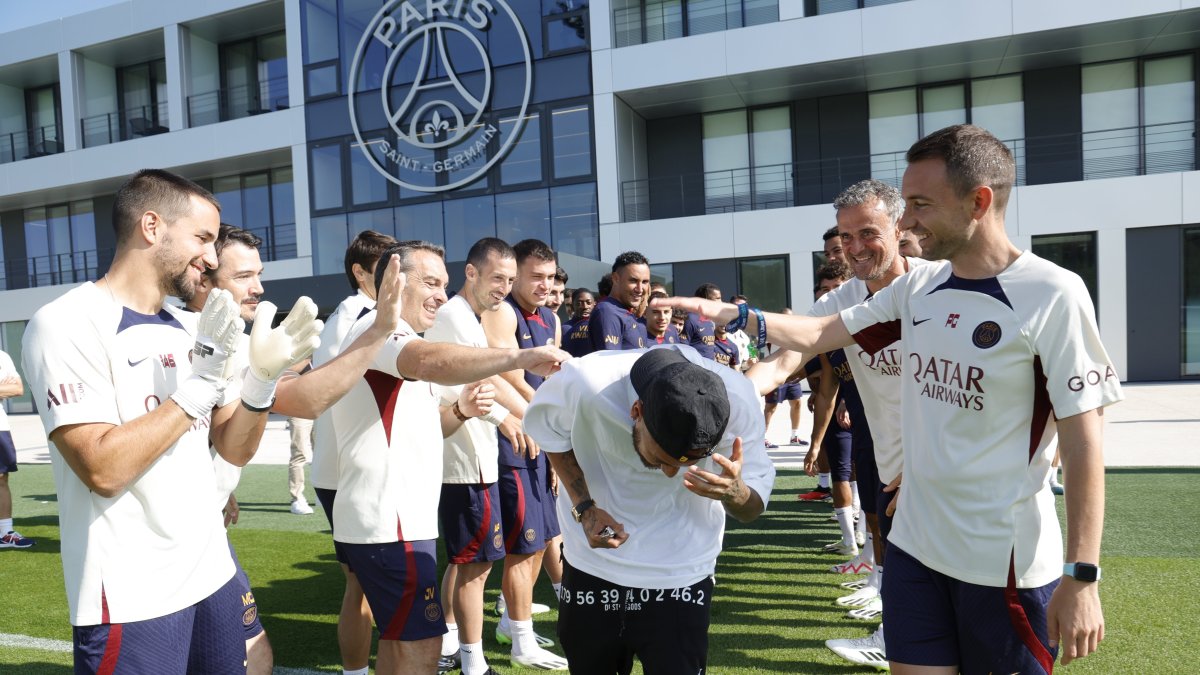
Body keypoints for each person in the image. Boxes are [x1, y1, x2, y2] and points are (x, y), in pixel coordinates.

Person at [656, 124, 1122, 673]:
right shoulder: (918, 289)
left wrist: (1083, 575)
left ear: (980, 201)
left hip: (1005, 565)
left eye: (921, 203)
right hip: (915, 551)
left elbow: (1085, 442)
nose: (908, 220)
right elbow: (818, 334)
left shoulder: (1052, 292)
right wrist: (737, 316)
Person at [21, 169, 320, 673]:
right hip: (133, 592)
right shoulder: (66, 322)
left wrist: (261, 383)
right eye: (202, 238)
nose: (210, 256)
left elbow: (234, 448)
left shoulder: (194, 326)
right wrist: (199, 387)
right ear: (152, 226)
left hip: (212, 572)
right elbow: (103, 468)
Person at [329, 240, 570, 675]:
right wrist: (519, 355)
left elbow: (431, 421)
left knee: (404, 642)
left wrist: (461, 411)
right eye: (431, 283)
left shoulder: (401, 335)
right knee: (420, 646)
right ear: (392, 284)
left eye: (444, 283)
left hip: (399, 519)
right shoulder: (381, 332)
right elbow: (430, 361)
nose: (442, 294)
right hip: (388, 521)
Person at [523, 345, 776, 673]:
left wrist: (735, 492)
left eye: (684, 463)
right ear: (636, 411)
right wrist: (585, 507)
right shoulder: (588, 381)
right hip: (593, 569)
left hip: (681, 575)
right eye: (660, 459)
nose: (672, 473)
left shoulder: (736, 401)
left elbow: (751, 509)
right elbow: (549, 432)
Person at [425, 238, 533, 675]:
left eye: (510, 279)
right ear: (470, 273)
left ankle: (455, 646)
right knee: (476, 566)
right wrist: (508, 418)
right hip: (463, 462)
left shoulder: (469, 316)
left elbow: (488, 379)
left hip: (472, 458)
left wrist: (523, 416)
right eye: (496, 278)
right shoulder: (453, 317)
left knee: (469, 561)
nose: (504, 288)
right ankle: (473, 662)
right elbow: (468, 387)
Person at [182, 223, 278, 675]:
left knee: (253, 653)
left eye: (258, 274)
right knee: (250, 654)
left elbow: (217, 438)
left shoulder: (236, 339)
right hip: (176, 538)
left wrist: (224, 484)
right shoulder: (176, 336)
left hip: (209, 524)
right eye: (243, 276)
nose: (257, 287)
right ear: (205, 276)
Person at [306, 229, 397, 675]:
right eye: (386, 264)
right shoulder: (356, 313)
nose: (398, 272)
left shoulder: (372, 312)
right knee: (361, 583)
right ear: (361, 273)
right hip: (346, 472)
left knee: (366, 581)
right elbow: (331, 386)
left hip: (354, 468)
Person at [481, 239, 569, 669]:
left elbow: (549, 383)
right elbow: (504, 374)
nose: (544, 284)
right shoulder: (500, 313)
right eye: (536, 276)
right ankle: (520, 642)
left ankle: (511, 625)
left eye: (550, 277)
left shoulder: (550, 316)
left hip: (539, 436)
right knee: (522, 545)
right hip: (512, 441)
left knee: (539, 542)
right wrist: (543, 422)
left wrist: (554, 432)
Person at [0, 348, 33, 549]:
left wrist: (9, 388)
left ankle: (5, 532)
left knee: (1, 478)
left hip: (0, 426)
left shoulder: (2, 356)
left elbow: (18, 389)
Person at [586, 252, 650, 353]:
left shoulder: (626, 312)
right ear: (615, 279)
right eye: (633, 281)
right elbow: (610, 363)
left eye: (645, 282)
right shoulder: (607, 312)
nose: (640, 289)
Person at [680, 283, 720, 360]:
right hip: (695, 369)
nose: (720, 302)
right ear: (705, 299)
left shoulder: (711, 321)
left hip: (710, 368)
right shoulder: (690, 319)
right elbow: (683, 348)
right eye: (717, 299)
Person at [287, 416, 315, 514]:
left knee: (323, 453)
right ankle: (297, 499)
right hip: (299, 410)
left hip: (324, 409)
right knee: (299, 453)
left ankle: (325, 490)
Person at [562, 289, 596, 357]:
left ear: (594, 303)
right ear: (573, 306)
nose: (585, 307)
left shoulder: (600, 325)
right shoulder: (563, 328)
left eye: (588, 302)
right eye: (579, 303)